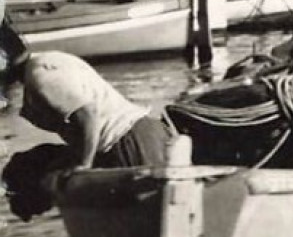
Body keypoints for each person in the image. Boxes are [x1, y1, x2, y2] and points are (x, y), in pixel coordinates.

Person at [0, 21, 174, 171]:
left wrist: (84, 164)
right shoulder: (47, 61)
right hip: (142, 133)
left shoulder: (41, 77)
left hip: (128, 140)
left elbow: (88, 113)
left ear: (3, 56)